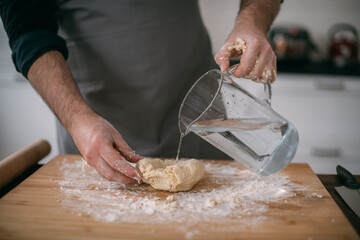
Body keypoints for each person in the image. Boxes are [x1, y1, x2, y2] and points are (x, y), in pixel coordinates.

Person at [0, 0, 281, 184]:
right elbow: (28, 33)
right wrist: (76, 119)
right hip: (97, 123)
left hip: (202, 116)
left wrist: (251, 21)